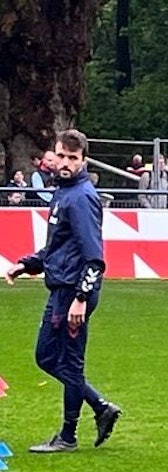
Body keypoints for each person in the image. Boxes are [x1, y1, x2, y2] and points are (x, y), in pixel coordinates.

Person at [4, 129, 122, 452]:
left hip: (72, 293)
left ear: (83, 159)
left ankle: (69, 436)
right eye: (62, 156)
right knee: (47, 357)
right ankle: (99, 408)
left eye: (73, 157)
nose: (66, 163)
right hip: (61, 290)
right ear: (53, 155)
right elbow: (56, 249)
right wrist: (26, 264)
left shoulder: (82, 197)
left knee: (67, 363)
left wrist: (81, 299)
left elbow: (94, 258)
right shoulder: (64, 192)